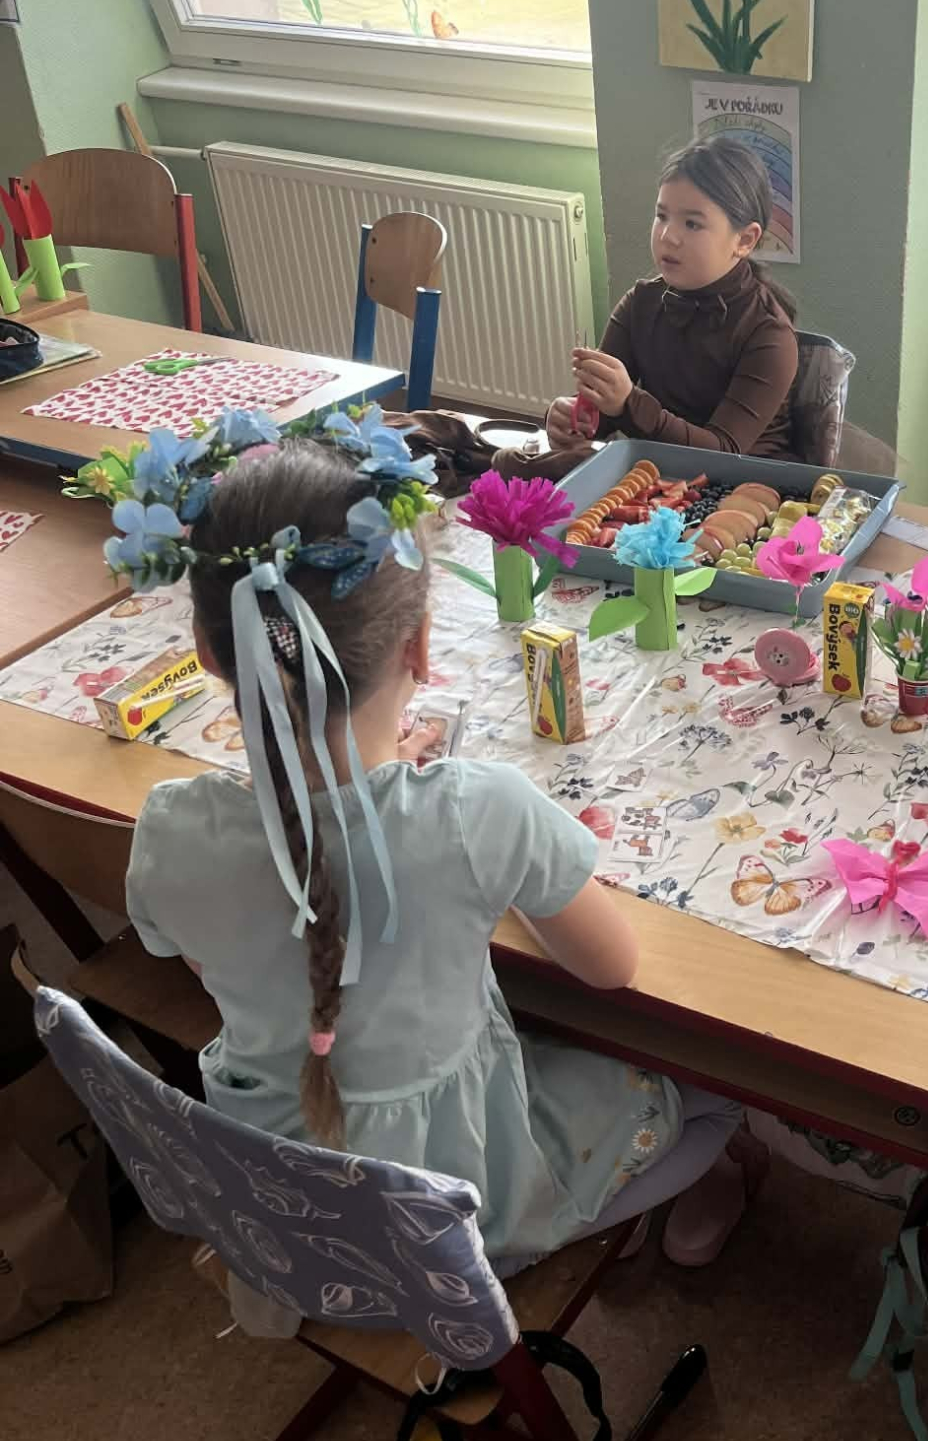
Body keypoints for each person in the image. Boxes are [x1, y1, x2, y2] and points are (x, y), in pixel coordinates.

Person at [111, 410, 761, 1271]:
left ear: (206, 649)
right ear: (421, 646)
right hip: (453, 1221)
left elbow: (217, 957)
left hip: (286, 1212)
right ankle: (659, 1188)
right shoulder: (479, 811)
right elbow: (613, 968)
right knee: (719, 1094)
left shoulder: (168, 829)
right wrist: (477, 856)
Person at [544, 136, 800, 465]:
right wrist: (574, 418)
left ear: (745, 240)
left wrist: (629, 403)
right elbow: (604, 417)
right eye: (662, 216)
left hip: (746, 485)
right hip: (652, 472)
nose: (668, 236)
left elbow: (723, 453)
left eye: (692, 223)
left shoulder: (770, 334)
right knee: (511, 467)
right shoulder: (641, 303)